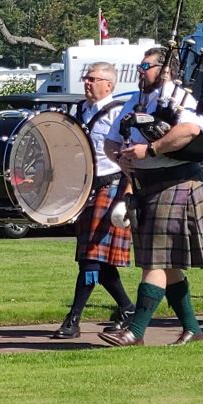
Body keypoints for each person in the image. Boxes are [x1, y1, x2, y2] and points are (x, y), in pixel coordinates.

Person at [100, 47, 203, 347]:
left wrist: (150, 150)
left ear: (165, 69)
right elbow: (111, 141)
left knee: (154, 261)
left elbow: (190, 130)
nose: (141, 71)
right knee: (167, 264)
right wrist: (121, 159)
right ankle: (193, 329)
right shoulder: (135, 101)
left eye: (146, 65)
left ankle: (134, 332)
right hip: (146, 184)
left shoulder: (180, 98)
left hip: (177, 182)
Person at [52, 62, 134, 339]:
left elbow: (130, 157)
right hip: (85, 189)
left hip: (111, 186)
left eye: (93, 79)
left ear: (109, 85)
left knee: (90, 258)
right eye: (85, 78)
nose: (87, 83)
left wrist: (127, 196)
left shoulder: (120, 114)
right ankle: (126, 308)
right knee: (100, 260)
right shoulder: (80, 111)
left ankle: (73, 318)